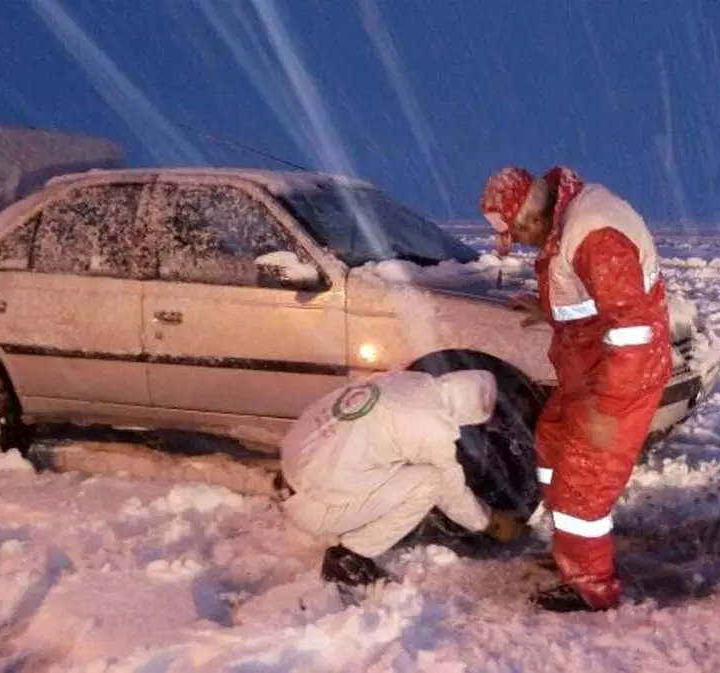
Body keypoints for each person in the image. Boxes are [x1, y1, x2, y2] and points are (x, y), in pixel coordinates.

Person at [478, 165, 674, 613]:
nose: (521, 243)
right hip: (587, 373)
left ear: (529, 221)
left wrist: (608, 409)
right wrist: (547, 309)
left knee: (582, 485)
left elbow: (632, 329)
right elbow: (593, 302)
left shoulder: (593, 235)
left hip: (619, 381)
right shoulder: (567, 223)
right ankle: (572, 553)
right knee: (552, 447)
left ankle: (592, 588)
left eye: (516, 235)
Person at [276, 369, 528, 587]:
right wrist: (488, 522)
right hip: (312, 506)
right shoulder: (431, 427)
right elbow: (452, 492)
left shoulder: (408, 382)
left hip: (291, 474)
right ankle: (351, 555)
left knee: (401, 461)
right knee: (431, 480)